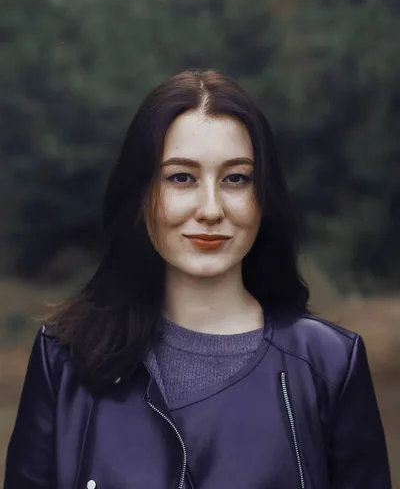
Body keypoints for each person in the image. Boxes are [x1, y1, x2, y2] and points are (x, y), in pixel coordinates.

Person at [4, 70, 391, 489]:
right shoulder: (65, 359)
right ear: (141, 194)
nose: (211, 209)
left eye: (236, 178)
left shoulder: (329, 364)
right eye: (182, 178)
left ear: (264, 197)